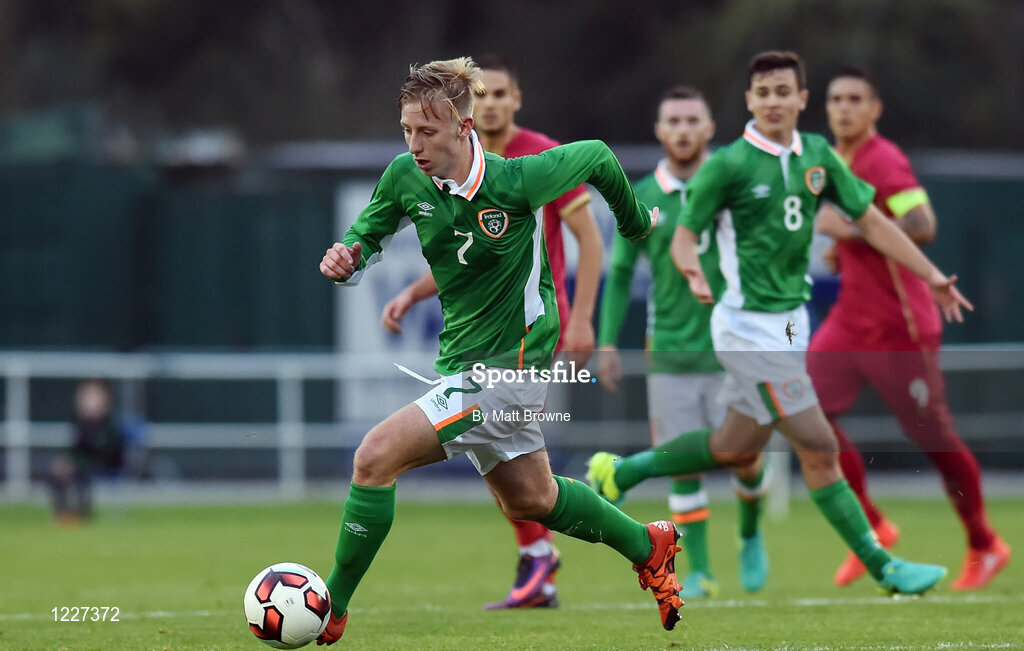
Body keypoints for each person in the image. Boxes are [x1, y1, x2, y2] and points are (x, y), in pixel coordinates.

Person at [316, 57, 683, 645]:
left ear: (464, 128)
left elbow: (597, 154)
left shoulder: (514, 181)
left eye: (428, 132)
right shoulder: (405, 177)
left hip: (510, 370)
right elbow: (365, 238)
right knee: (532, 500)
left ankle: (329, 605)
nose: (414, 144)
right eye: (407, 130)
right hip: (468, 365)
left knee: (373, 457)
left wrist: (635, 223)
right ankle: (649, 544)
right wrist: (347, 260)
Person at [586, 50, 971, 597]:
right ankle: (885, 567)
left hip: (791, 326)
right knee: (818, 444)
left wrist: (930, 274)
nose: (772, 101)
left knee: (734, 447)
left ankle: (620, 472)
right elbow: (683, 236)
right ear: (749, 101)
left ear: (800, 99)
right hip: (744, 330)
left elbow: (871, 220)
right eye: (762, 92)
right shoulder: (730, 164)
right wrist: (693, 272)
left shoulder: (817, 157)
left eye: (782, 91)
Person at [379, 54, 603, 610]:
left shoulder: (534, 156)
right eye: (490, 92)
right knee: (526, 488)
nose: (496, 101)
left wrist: (581, 316)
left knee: (383, 455)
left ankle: (541, 557)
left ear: (507, 103)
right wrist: (411, 293)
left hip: (526, 334)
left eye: (503, 94)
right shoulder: (442, 165)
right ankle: (576, 554)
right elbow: (464, 256)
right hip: (476, 332)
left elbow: (587, 237)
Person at [809, 66, 1010, 590]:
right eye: (836, 99)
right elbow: (865, 236)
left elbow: (922, 223)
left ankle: (985, 544)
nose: (845, 108)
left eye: (856, 99)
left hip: (900, 328)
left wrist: (847, 232)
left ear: (875, 110)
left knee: (934, 439)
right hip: (850, 322)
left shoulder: (884, 159)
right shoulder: (836, 160)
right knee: (805, 417)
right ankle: (873, 530)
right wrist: (843, 247)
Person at [595, 85, 768, 597]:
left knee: (746, 455)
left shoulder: (734, 184)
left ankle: (751, 535)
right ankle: (699, 570)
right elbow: (622, 271)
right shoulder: (642, 194)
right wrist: (606, 342)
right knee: (681, 463)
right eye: (674, 121)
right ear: (659, 130)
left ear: (710, 128)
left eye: (694, 120)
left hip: (733, 346)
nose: (684, 129)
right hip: (669, 349)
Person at [47, 378, 126, 524]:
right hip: (81, 463)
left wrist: (76, 463)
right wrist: (67, 462)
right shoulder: (78, 421)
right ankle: (63, 514)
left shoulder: (109, 424)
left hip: (103, 464)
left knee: (81, 474)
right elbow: (75, 449)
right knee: (58, 470)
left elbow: (107, 452)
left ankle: (83, 514)